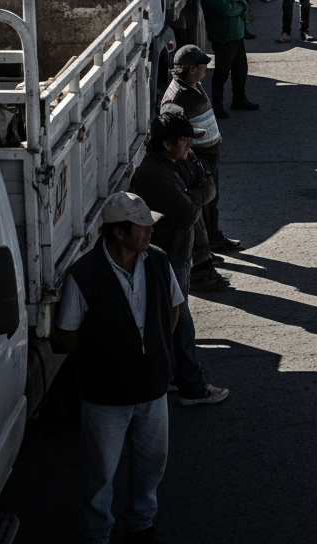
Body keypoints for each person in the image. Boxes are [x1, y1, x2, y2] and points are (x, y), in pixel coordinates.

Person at [55, 192, 185, 544]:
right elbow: (67, 333)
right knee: (100, 475)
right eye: (142, 226)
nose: (150, 231)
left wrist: (154, 350)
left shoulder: (157, 261)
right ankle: (98, 534)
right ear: (119, 233)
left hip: (152, 390)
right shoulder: (83, 275)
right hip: (106, 397)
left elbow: (173, 308)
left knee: (151, 466)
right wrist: (103, 360)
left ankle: (142, 524)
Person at [130, 109, 230, 408]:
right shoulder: (154, 173)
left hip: (182, 253)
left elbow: (208, 185)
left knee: (173, 321)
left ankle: (172, 375)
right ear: (167, 144)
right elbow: (187, 214)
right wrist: (195, 197)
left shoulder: (182, 161)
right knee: (180, 322)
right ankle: (193, 387)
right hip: (166, 258)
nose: (190, 146)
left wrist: (192, 195)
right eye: (184, 141)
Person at [161, 44, 240, 254]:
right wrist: (193, 134)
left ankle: (214, 239)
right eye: (203, 66)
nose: (206, 70)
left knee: (212, 201)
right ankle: (205, 251)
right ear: (192, 69)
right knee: (204, 204)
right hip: (198, 159)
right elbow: (171, 131)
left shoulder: (193, 85)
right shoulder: (176, 96)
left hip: (209, 156)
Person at [198, 0, 258, 113]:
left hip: (236, 35)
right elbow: (227, 10)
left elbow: (237, 3)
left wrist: (239, 5)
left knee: (240, 71)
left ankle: (239, 99)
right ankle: (217, 106)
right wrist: (240, 6)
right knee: (222, 73)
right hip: (224, 38)